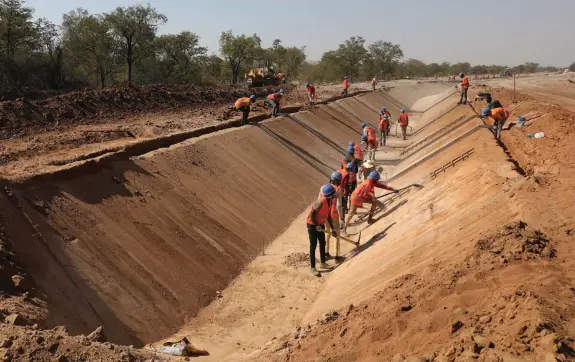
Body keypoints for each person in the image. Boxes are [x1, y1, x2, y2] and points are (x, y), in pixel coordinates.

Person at [307, 184, 337, 276]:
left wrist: (332, 228)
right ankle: (312, 267)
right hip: (312, 225)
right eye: (333, 193)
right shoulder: (320, 201)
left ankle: (323, 263)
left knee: (322, 243)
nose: (335, 194)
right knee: (313, 246)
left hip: (320, 225)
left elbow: (328, 216)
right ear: (330, 195)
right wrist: (316, 225)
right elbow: (312, 214)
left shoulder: (330, 201)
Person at [324, 172, 345, 262]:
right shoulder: (338, 189)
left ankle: (326, 253)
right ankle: (337, 256)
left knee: (327, 234)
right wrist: (342, 218)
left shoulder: (324, 188)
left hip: (325, 214)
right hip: (334, 215)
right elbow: (339, 205)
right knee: (337, 235)